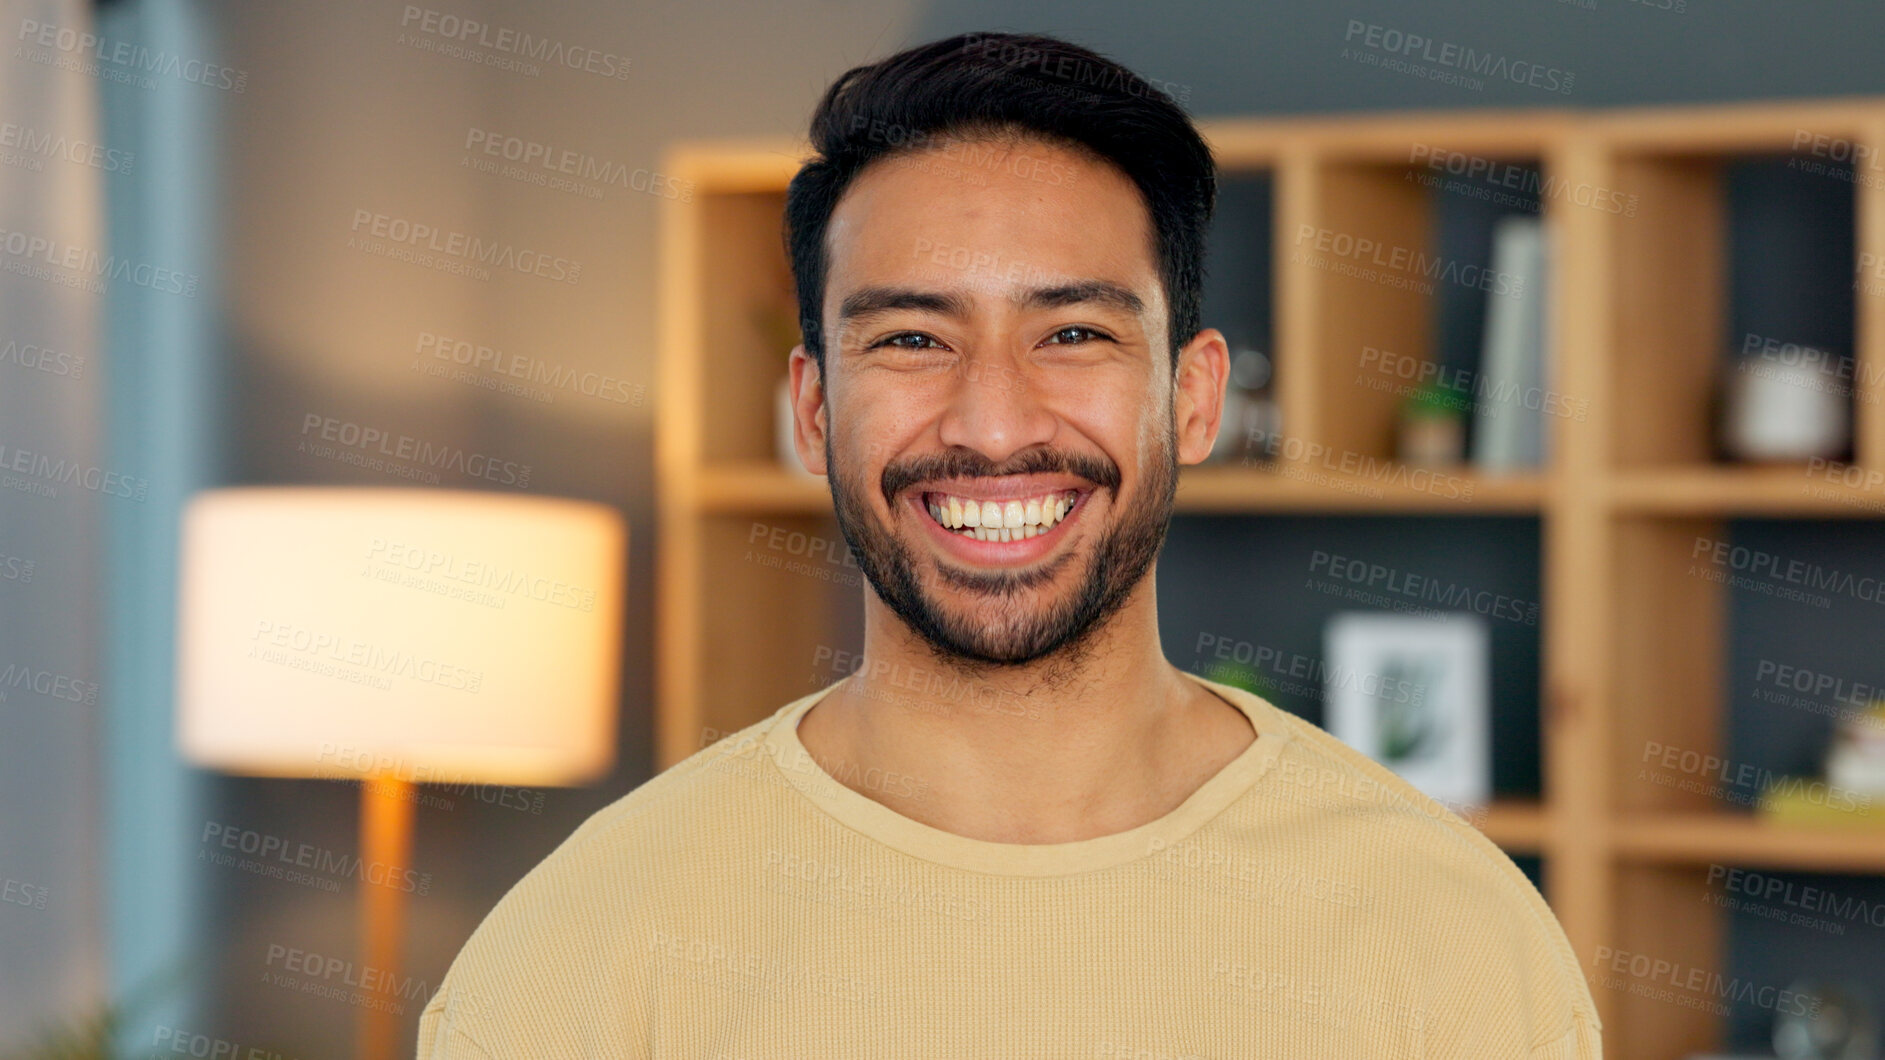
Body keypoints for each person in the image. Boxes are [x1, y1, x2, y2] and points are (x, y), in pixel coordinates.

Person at [417, 30, 1601, 1058]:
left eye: (1074, 331)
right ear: (813, 407)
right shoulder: (579, 951)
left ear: (1194, 399)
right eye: (912, 341)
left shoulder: (1447, 931)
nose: (992, 424)